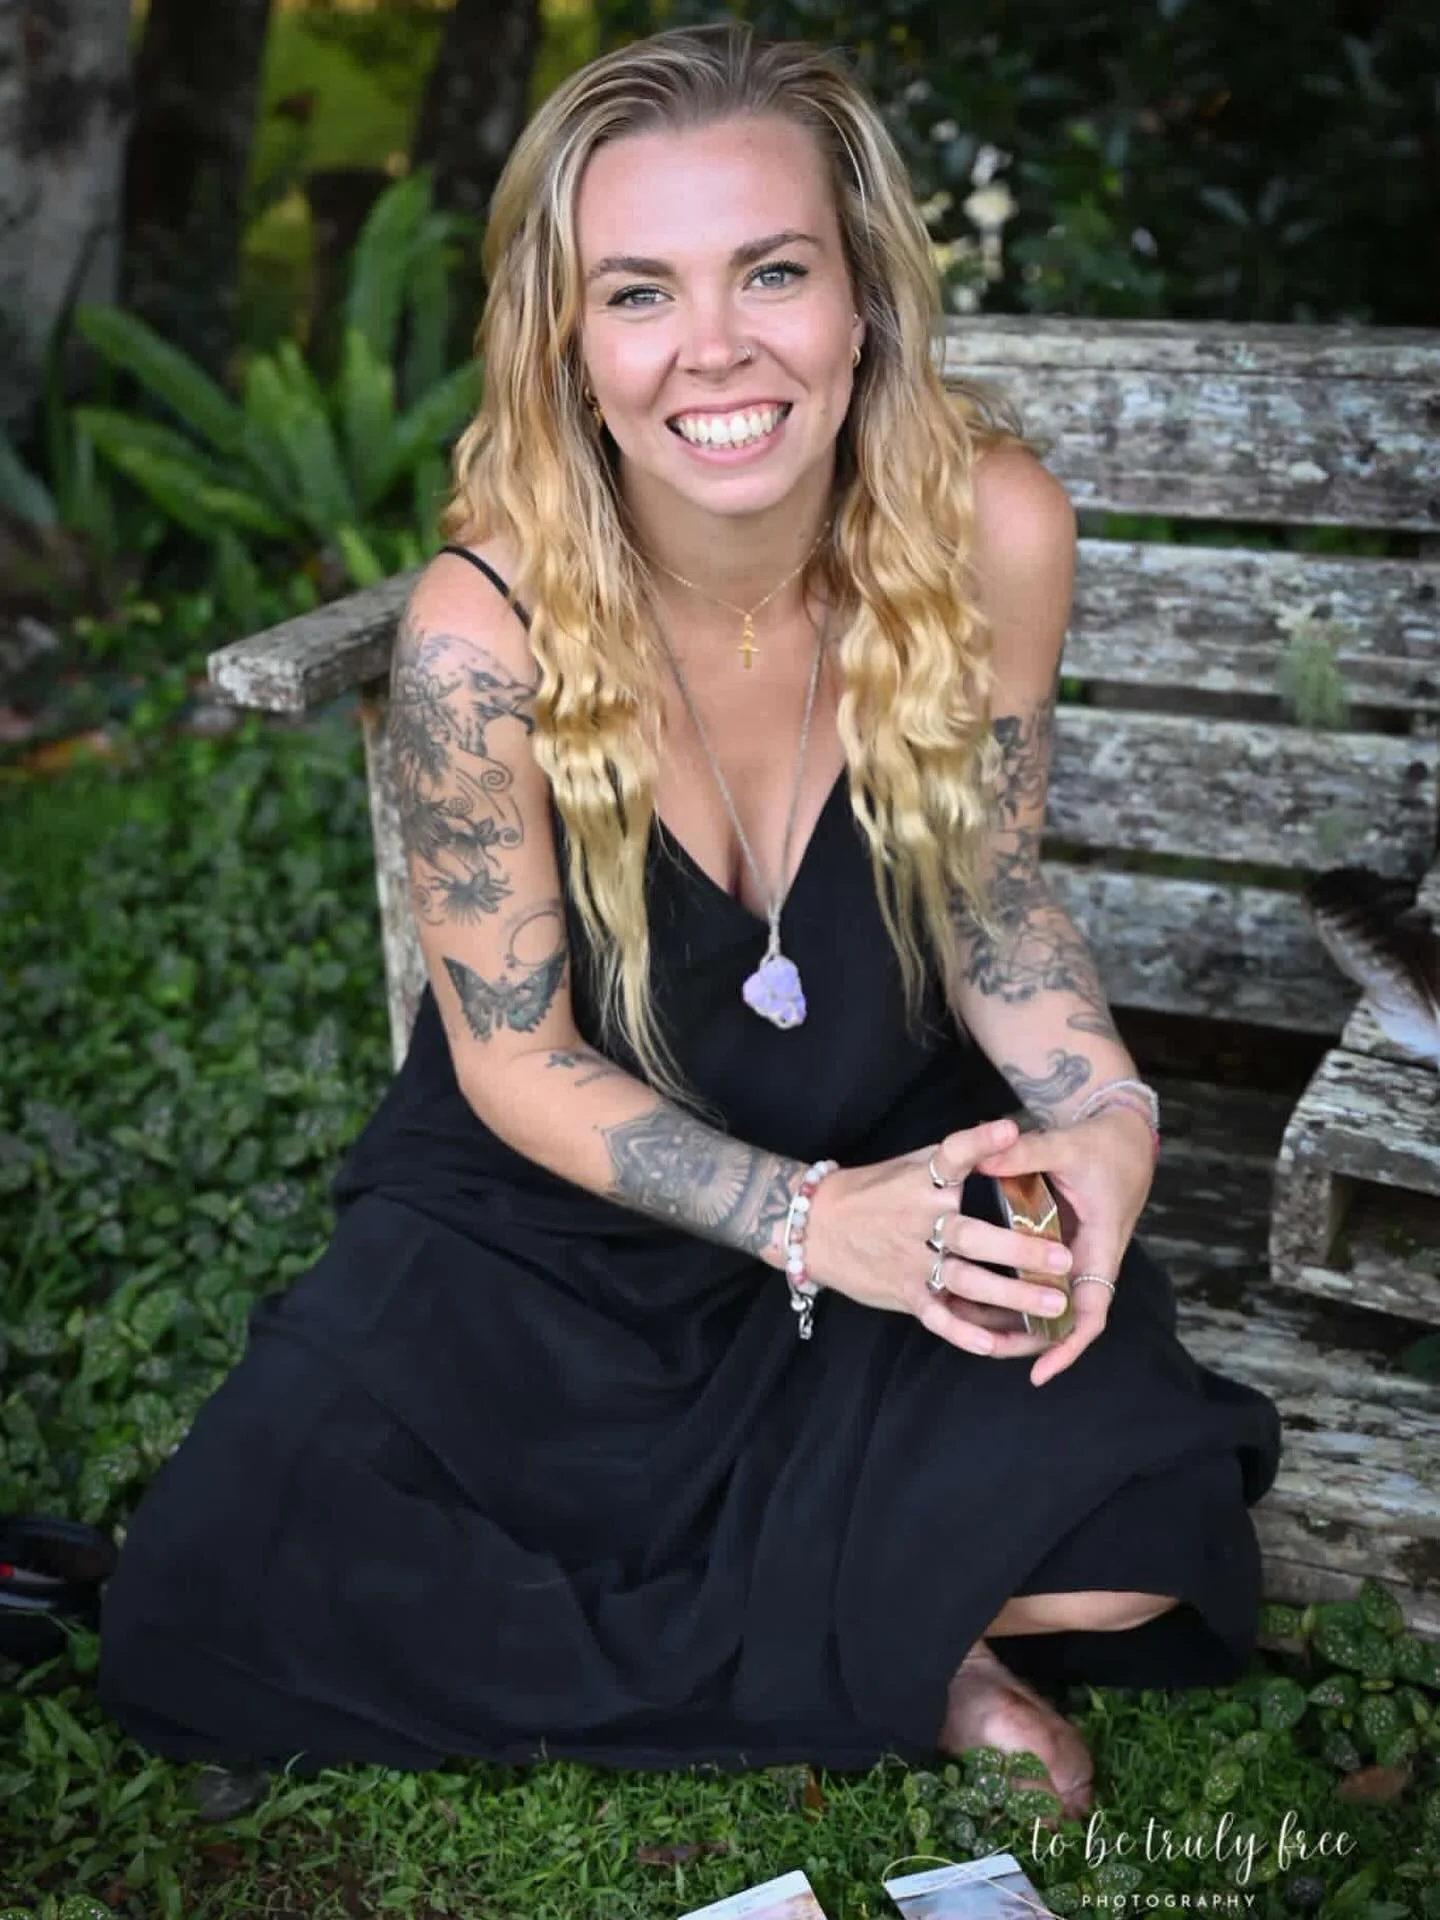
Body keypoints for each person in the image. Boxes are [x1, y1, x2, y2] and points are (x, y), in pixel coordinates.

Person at [97, 21, 1281, 1817]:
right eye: (638, 292)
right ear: (569, 345)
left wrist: (1106, 1111)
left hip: (888, 1147)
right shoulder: (479, 640)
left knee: (1147, 1532)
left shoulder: (989, 528)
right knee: (228, 1569)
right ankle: (912, 1637)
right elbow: (510, 1061)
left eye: (774, 271)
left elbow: (986, 881)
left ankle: (852, 1607)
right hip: (562, 1206)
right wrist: (810, 1228)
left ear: (863, 294)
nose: (714, 348)